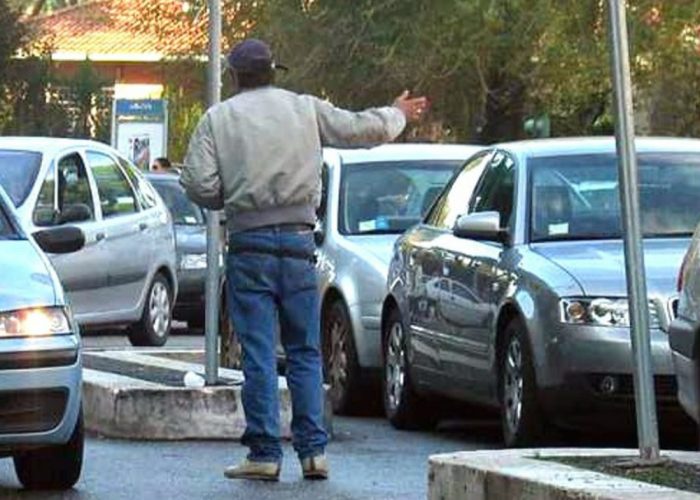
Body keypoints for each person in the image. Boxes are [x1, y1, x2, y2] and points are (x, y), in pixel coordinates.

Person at [180, 38, 428, 482]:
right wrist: (397, 114)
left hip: (248, 243)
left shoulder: (218, 119)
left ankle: (263, 453)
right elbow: (358, 130)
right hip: (297, 242)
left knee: (257, 350)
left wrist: (232, 199)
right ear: (275, 71)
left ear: (235, 76)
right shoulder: (306, 108)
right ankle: (314, 452)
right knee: (305, 350)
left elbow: (197, 182)